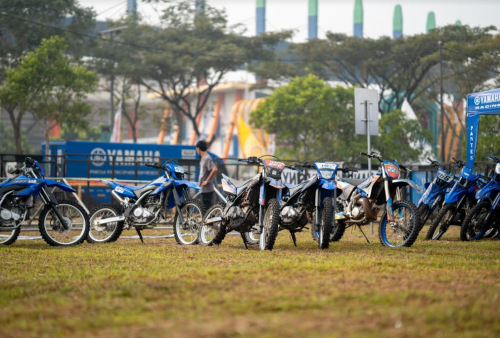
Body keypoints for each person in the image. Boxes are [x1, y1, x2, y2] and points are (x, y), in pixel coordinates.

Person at [196, 140, 218, 210]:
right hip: (203, 189)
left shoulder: (207, 158)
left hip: (207, 190)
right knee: (204, 210)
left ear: (198, 149)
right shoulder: (203, 158)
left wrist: (207, 181)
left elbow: (214, 169)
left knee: (206, 210)